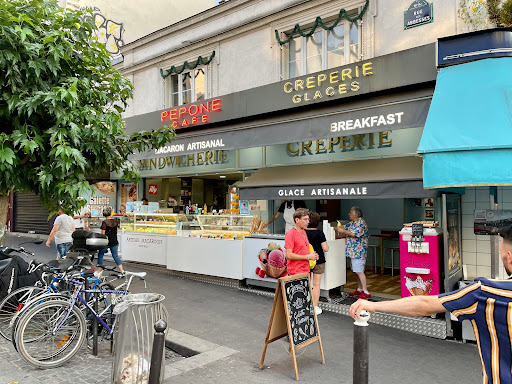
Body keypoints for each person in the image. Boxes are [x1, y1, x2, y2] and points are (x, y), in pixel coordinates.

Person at [350, 224, 512, 384]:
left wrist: (374, 305)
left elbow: (424, 304)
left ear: (509, 257)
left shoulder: (485, 294)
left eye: (501, 254)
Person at [335, 206, 370, 299]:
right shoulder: (353, 223)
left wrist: (342, 231)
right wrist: (338, 228)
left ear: (356, 215)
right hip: (353, 252)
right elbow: (344, 227)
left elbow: (353, 234)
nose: (349, 214)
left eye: (350, 213)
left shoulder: (361, 223)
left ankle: (365, 291)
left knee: (359, 272)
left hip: (358, 252)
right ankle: (359, 289)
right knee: (357, 271)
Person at [305, 211, 329, 315]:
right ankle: (314, 306)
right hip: (319, 261)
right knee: (316, 284)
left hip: (306, 260)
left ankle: (307, 304)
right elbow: (325, 248)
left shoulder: (303, 233)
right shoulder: (320, 233)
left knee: (307, 283)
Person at [284, 208, 319, 277]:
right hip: (295, 272)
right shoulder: (290, 234)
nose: (308, 222)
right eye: (305, 219)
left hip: (306, 271)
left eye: (308, 219)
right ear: (297, 220)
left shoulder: (304, 232)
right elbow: (288, 255)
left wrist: (312, 255)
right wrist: (307, 257)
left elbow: (301, 250)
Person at [96, 207, 124, 275]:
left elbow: (103, 234)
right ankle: (122, 270)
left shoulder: (104, 222)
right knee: (115, 256)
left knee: (100, 255)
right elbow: (116, 231)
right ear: (110, 213)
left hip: (106, 242)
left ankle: (99, 271)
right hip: (114, 241)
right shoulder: (115, 221)